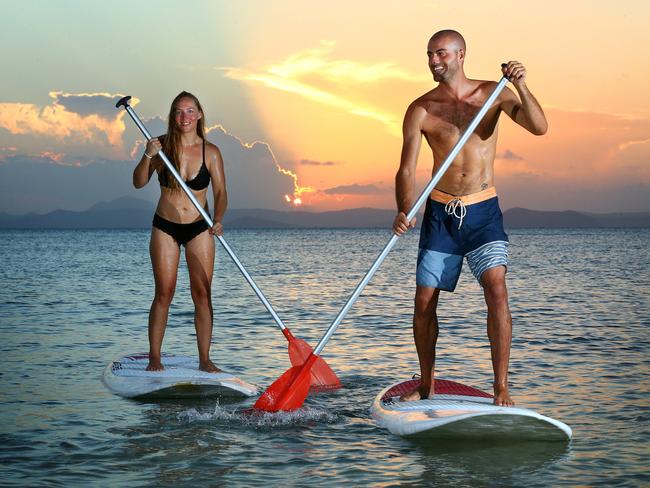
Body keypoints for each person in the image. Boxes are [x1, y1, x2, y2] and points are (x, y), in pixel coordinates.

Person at [392, 30, 547, 406]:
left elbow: (539, 127)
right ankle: (426, 383)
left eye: (440, 53)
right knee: (425, 301)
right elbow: (407, 170)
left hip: (483, 212)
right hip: (440, 216)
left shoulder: (492, 94)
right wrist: (403, 207)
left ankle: (501, 388)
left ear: (461, 54)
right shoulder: (421, 109)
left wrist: (521, 86)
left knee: (496, 286)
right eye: (429, 54)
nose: (433, 61)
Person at [132, 91, 227, 373]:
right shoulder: (161, 148)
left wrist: (218, 218)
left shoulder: (211, 151)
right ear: (173, 116)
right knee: (164, 292)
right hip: (166, 225)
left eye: (190, 111)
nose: (184, 117)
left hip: (200, 227)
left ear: (199, 115)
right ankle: (154, 357)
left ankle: (205, 360)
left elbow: (221, 192)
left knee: (202, 294)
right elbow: (138, 182)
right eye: (178, 111)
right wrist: (147, 156)